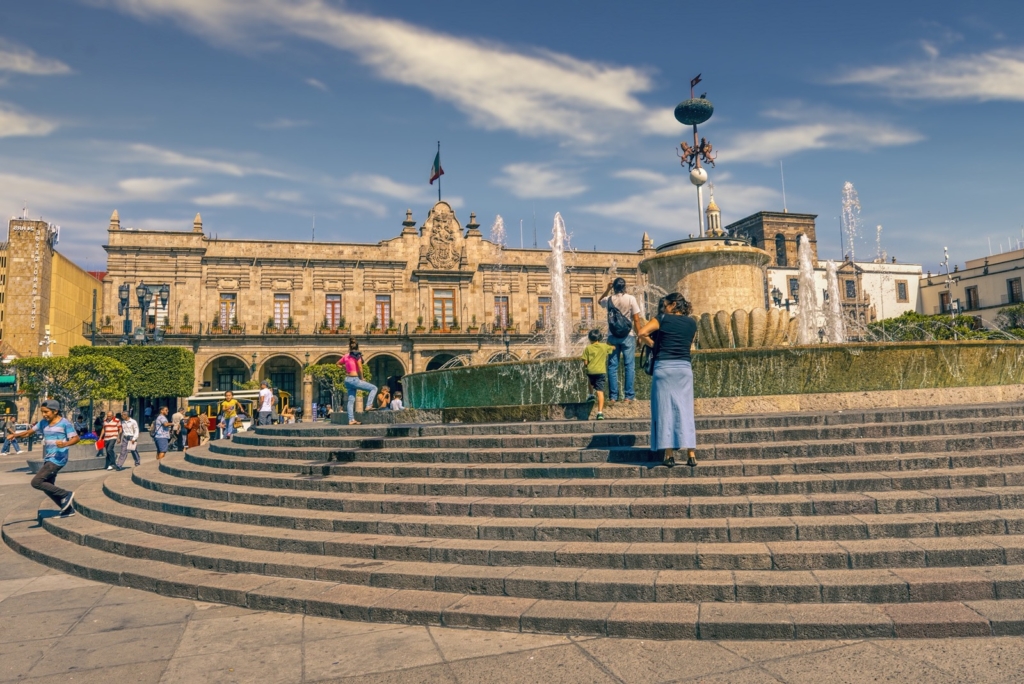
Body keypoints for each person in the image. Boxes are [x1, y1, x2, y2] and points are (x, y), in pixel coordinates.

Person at [638, 292, 698, 468]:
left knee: (665, 411)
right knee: (686, 411)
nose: (663, 308)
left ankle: (669, 454)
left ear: (673, 305)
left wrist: (655, 345)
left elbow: (642, 332)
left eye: (665, 304)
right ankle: (691, 454)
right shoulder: (692, 323)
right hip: (684, 369)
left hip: (664, 369)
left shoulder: (662, 318)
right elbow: (687, 343)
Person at [12, 399, 79, 517]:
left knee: (36, 482)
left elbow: (76, 438)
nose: (44, 414)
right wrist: (15, 435)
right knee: (48, 486)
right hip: (48, 458)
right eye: (42, 412)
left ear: (55, 411)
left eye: (46, 412)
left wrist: (64, 444)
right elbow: (29, 432)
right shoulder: (43, 423)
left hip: (58, 459)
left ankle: (65, 494)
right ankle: (68, 510)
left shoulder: (65, 423)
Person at [599, 277, 644, 404]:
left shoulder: (608, 299)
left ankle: (613, 397)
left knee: (612, 366)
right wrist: (639, 335)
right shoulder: (631, 298)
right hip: (628, 336)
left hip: (612, 336)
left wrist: (607, 289)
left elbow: (599, 301)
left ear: (613, 287)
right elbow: (636, 319)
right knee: (629, 366)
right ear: (624, 287)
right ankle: (628, 396)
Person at [338, 339, 376, 425]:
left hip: (347, 380)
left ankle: (351, 420)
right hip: (354, 379)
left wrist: (345, 369)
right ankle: (368, 405)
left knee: (351, 400)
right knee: (374, 388)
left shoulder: (346, 356)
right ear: (357, 346)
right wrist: (362, 378)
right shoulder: (357, 355)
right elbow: (360, 367)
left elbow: (337, 364)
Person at [581, 329, 616, 420]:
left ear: (589, 338)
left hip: (591, 371)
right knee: (600, 392)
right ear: (600, 338)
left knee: (590, 380)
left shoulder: (587, 348)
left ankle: (591, 395)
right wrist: (612, 346)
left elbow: (585, 362)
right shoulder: (604, 346)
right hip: (601, 371)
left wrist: (587, 366)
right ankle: (600, 413)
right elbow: (612, 348)